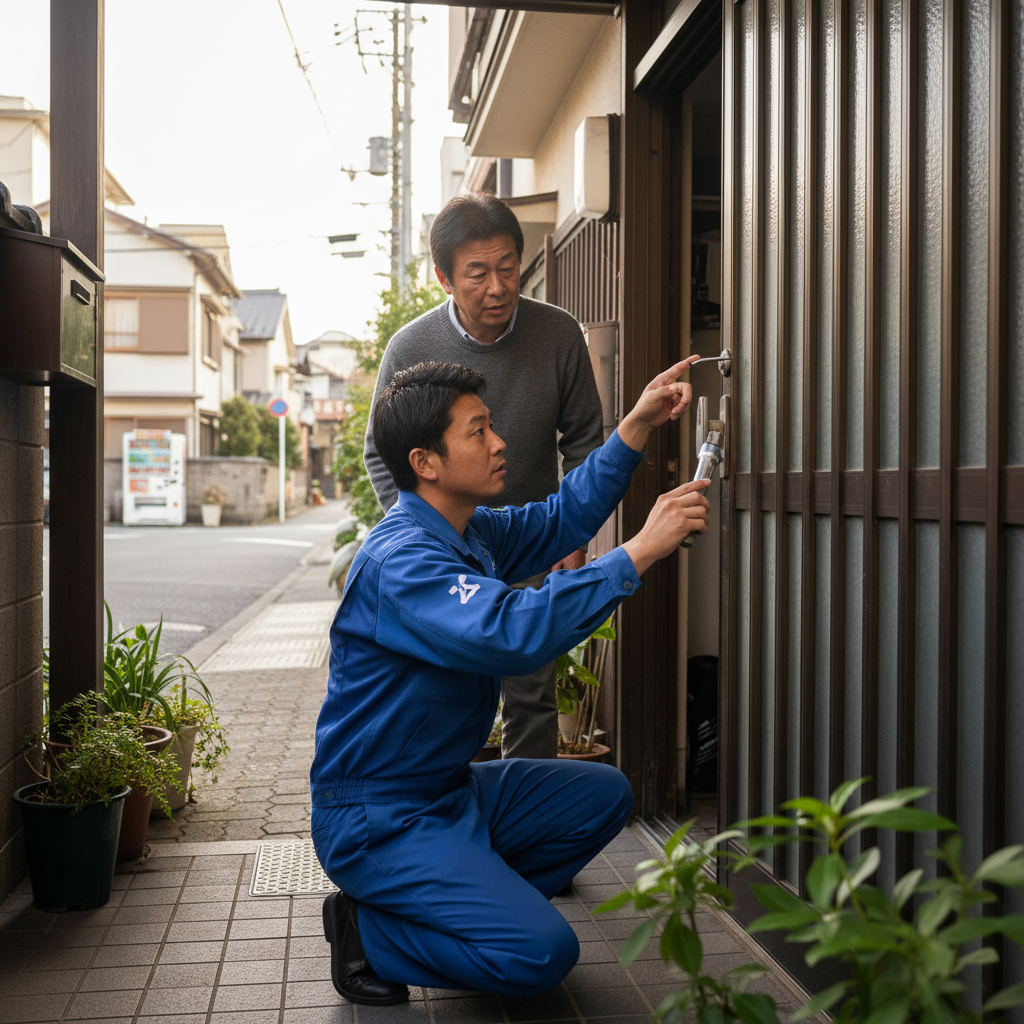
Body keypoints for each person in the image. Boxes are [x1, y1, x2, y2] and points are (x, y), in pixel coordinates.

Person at [311, 357, 710, 1005]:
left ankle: (471, 907)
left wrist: (636, 426)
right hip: (379, 815)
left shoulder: (468, 532)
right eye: (478, 431)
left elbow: (561, 518)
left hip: (448, 791)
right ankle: (369, 933)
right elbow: (513, 632)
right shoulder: (404, 561)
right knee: (540, 955)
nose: (499, 443)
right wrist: (640, 549)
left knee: (603, 795)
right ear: (425, 462)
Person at [363, 191, 604, 760]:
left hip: (533, 541)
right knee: (446, 692)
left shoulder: (558, 334)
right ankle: (455, 805)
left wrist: (572, 537)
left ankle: (526, 809)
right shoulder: (411, 347)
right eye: (477, 274)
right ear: (445, 279)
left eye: (507, 268)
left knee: (533, 695)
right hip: (446, 553)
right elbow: (382, 453)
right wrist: (424, 539)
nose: (497, 287)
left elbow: (585, 442)